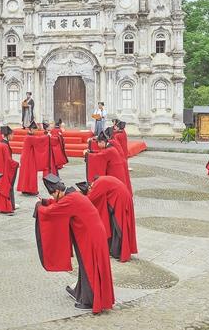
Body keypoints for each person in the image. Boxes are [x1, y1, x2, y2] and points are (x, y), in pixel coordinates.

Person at [34, 174, 115, 312]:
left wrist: (39, 207)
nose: (53, 197)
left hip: (90, 236)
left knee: (89, 267)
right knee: (87, 265)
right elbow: (59, 204)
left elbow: (50, 212)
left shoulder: (70, 199)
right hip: (93, 233)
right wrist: (47, 201)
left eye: (53, 195)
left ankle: (90, 301)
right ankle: (84, 293)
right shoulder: (73, 194)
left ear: (58, 191)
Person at [77, 176, 137, 262]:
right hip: (122, 198)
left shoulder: (98, 184)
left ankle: (119, 252)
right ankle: (116, 250)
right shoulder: (102, 180)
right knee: (117, 226)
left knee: (118, 226)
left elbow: (90, 198)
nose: (90, 190)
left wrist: (77, 196)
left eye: (90, 188)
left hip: (120, 201)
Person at [85, 129, 131, 193]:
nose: (97, 145)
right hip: (117, 169)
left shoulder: (109, 150)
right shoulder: (110, 147)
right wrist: (91, 152)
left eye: (98, 142)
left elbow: (100, 156)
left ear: (102, 142)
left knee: (116, 189)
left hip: (115, 172)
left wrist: (87, 154)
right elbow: (102, 153)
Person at [17, 122, 52, 196]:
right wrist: (47, 136)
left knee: (25, 174)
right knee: (31, 174)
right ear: (31, 129)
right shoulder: (29, 137)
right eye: (34, 129)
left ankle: (25, 189)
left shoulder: (28, 136)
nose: (35, 131)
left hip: (27, 157)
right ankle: (31, 190)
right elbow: (38, 140)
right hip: (29, 158)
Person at [0, 126, 20, 214]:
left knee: (2, 185)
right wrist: (16, 164)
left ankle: (4, 205)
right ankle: (5, 206)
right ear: (8, 135)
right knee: (6, 186)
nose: (13, 136)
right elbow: (8, 160)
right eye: (12, 134)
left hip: (1, 168)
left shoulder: (0, 144)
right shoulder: (4, 145)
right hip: (5, 169)